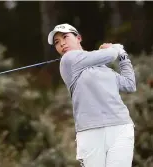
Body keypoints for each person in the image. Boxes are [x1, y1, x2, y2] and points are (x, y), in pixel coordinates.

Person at [48, 23, 136, 167]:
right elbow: (110, 54)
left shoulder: (103, 68)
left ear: (79, 38)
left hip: (120, 127)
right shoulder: (68, 61)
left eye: (65, 37)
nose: (62, 44)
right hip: (89, 132)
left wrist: (123, 57)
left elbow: (129, 84)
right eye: (57, 42)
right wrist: (116, 49)